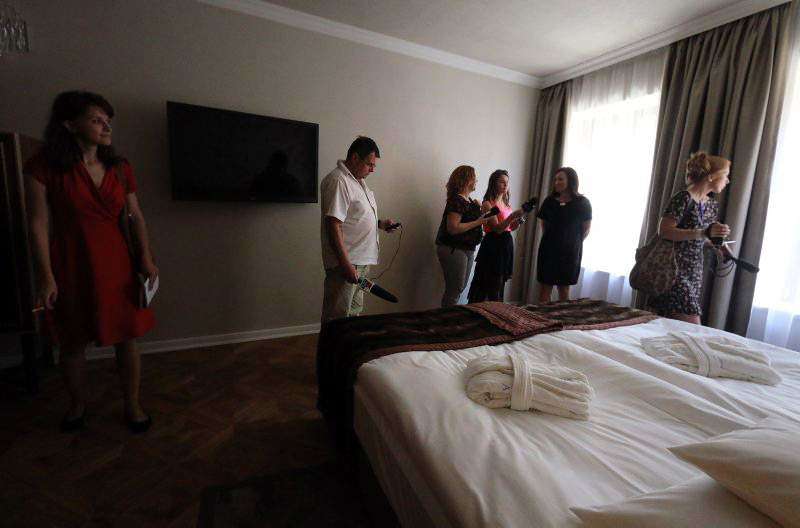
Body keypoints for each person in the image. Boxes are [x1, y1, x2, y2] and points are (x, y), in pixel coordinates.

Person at [25, 91, 158, 433]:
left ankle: (133, 404)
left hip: (117, 262)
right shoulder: (44, 166)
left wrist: (145, 257)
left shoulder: (119, 168)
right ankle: (77, 405)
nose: (106, 126)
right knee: (72, 340)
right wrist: (46, 276)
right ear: (70, 124)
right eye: (97, 120)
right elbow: (38, 223)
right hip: (71, 262)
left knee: (127, 336)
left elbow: (135, 216)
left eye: (107, 120)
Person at [647, 152, 731, 324]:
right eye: (725, 175)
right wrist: (703, 233)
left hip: (694, 271)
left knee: (669, 328)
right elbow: (664, 231)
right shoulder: (683, 198)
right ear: (711, 177)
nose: (727, 181)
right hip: (673, 270)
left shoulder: (711, 205)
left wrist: (719, 244)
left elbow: (702, 237)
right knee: (693, 327)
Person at [320, 136, 398, 322]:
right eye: (369, 164)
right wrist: (345, 264)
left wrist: (380, 224)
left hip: (360, 262)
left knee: (354, 315)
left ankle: (348, 343)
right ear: (355, 158)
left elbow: (354, 217)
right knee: (337, 318)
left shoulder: (357, 181)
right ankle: (332, 344)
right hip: (346, 263)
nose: (372, 169)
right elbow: (333, 224)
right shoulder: (339, 181)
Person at [435, 165, 497, 306]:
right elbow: (453, 228)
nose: (476, 181)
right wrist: (479, 221)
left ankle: (448, 316)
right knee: (454, 290)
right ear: (467, 179)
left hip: (467, 248)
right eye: (474, 178)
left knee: (459, 288)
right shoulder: (457, 200)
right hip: (454, 248)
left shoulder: (469, 201)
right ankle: (445, 318)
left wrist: (481, 214)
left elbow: (469, 224)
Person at [536, 167, 592, 303]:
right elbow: (544, 225)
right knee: (545, 288)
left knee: (564, 289)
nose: (556, 182)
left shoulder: (582, 203)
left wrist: (571, 243)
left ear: (570, 181)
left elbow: (585, 230)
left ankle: (562, 316)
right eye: (555, 179)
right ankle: (542, 316)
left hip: (569, 253)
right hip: (548, 250)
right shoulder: (549, 201)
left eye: (560, 179)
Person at [467, 170, 525, 302]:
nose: (505, 185)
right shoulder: (487, 204)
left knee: (500, 284)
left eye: (507, 183)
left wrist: (518, 221)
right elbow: (497, 229)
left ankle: (496, 311)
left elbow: (510, 227)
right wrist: (512, 217)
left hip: (505, 246)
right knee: (490, 283)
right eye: (502, 182)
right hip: (493, 246)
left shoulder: (506, 204)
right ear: (494, 183)